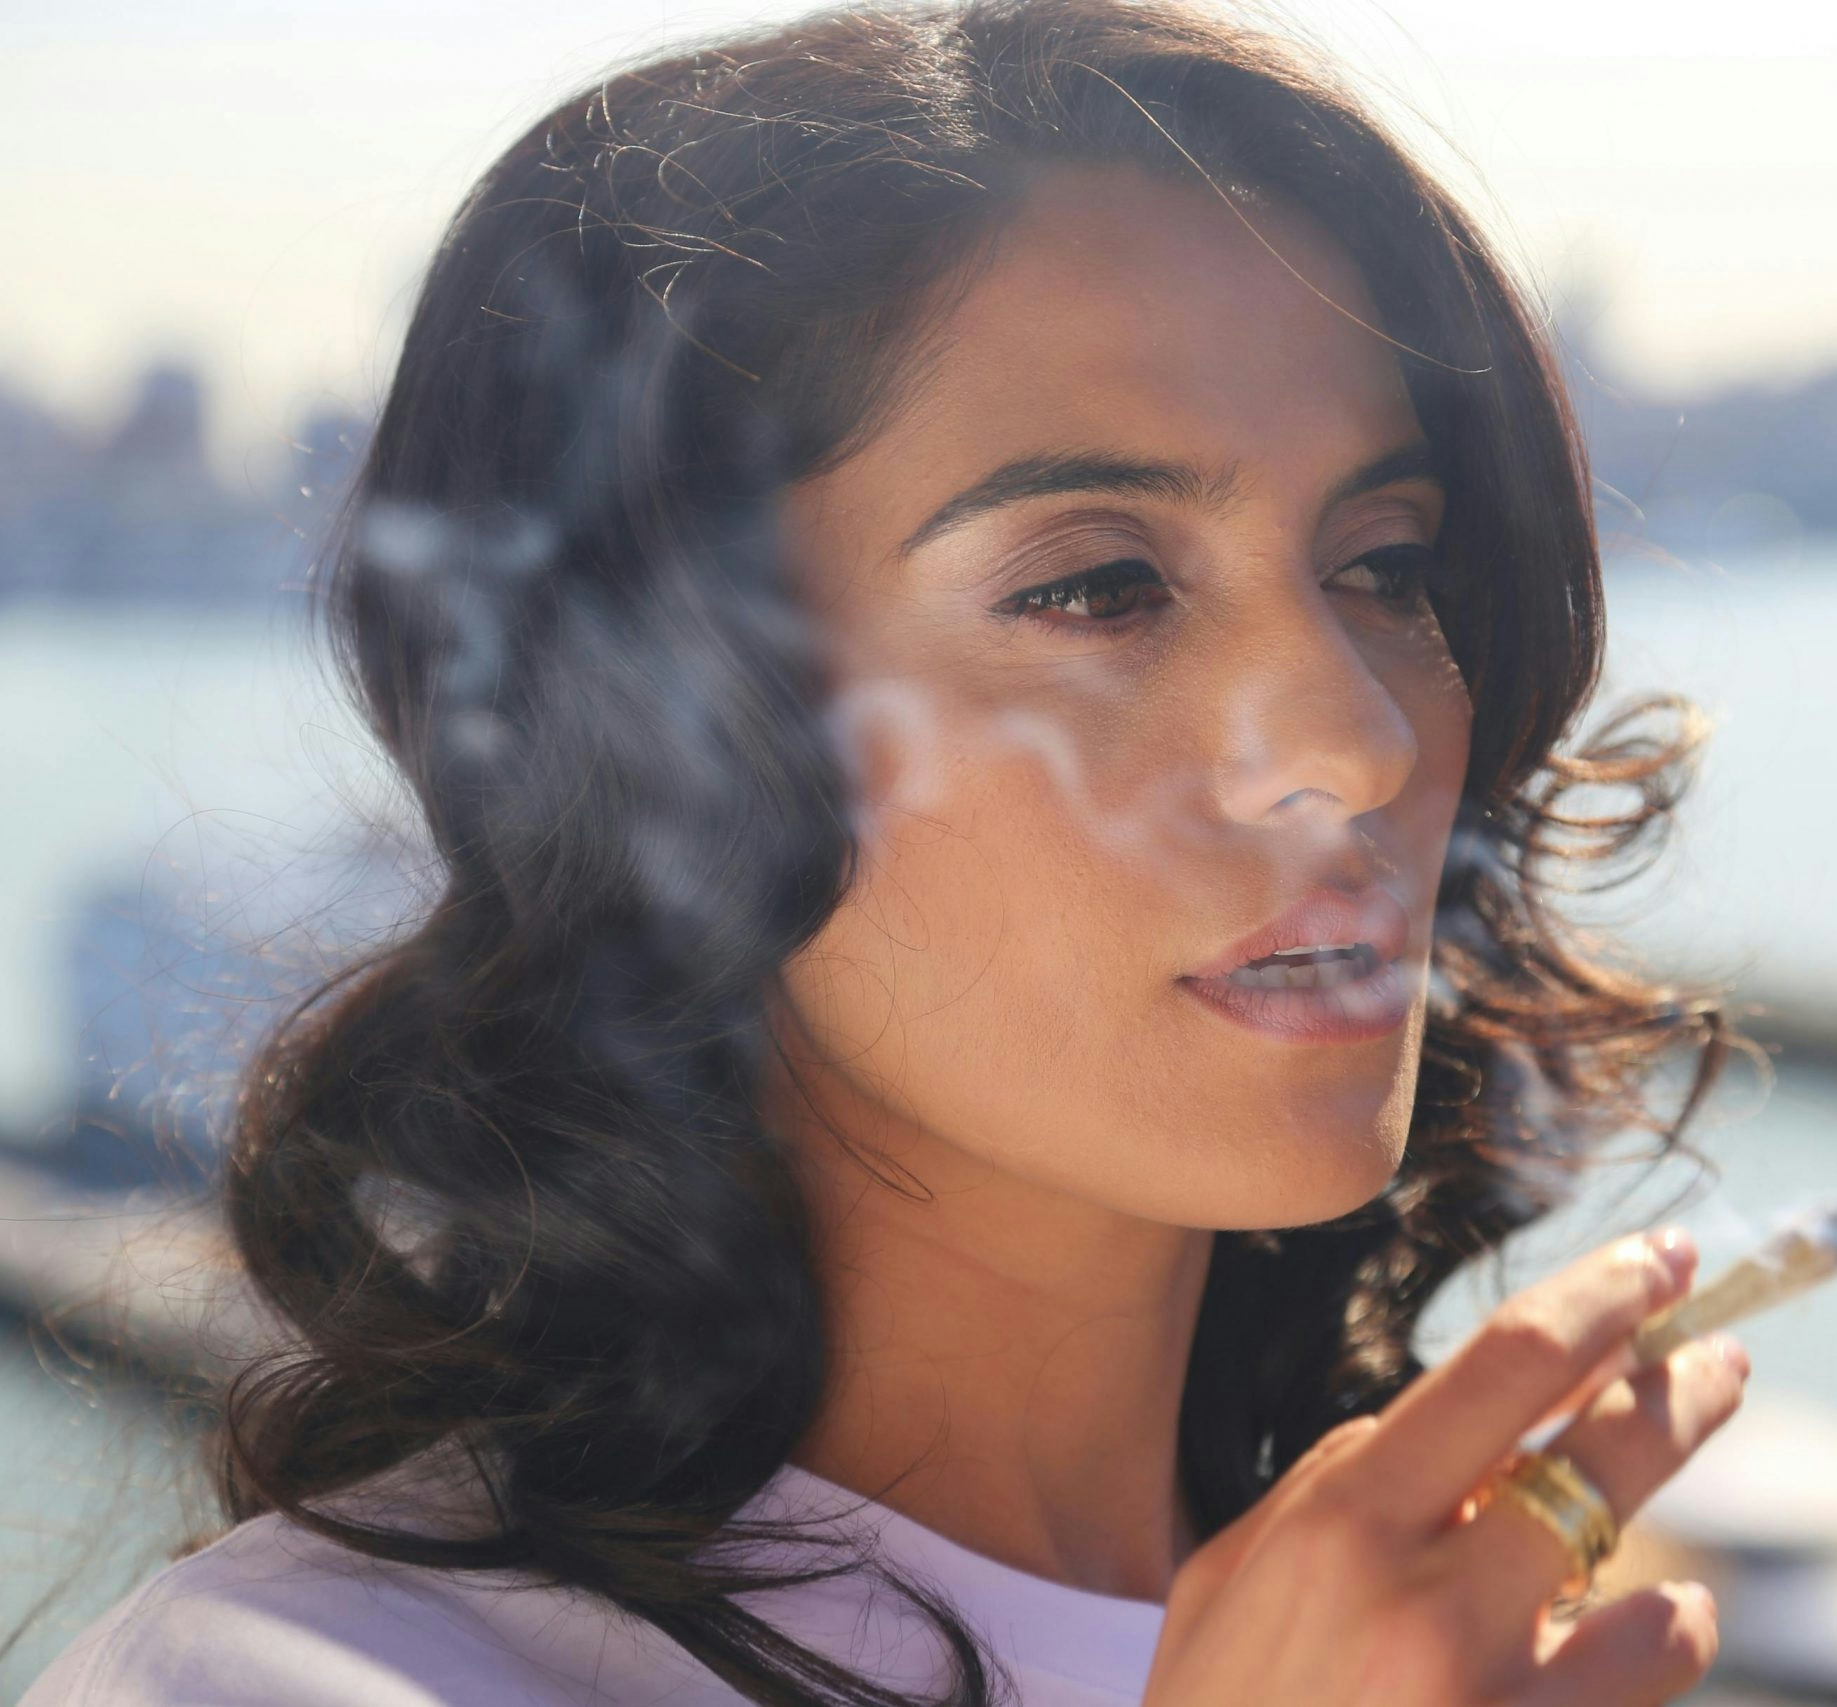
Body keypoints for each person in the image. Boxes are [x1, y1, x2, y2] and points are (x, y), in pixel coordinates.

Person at [23, 2, 1749, 1701]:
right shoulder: (289, 1683)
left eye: (1383, 561)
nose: (1358, 740)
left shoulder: (1487, 1643)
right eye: (1095, 587)